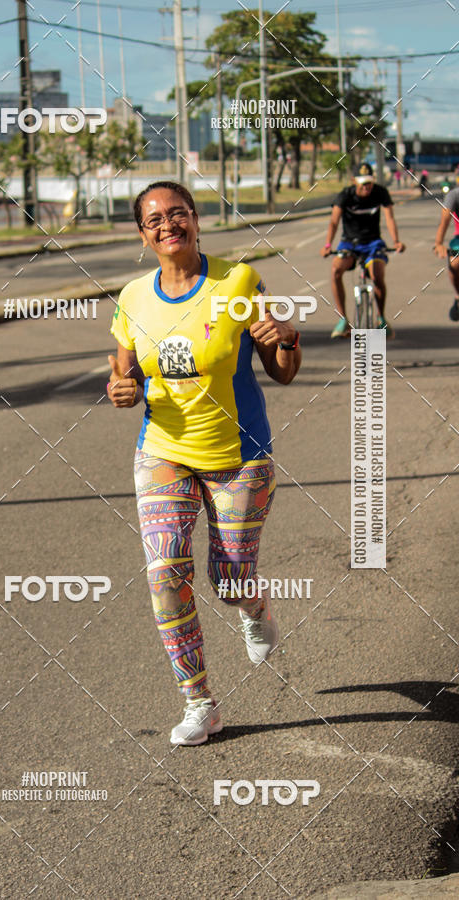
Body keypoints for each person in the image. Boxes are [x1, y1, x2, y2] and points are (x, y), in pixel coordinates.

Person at [107, 180, 301, 746]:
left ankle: (253, 607)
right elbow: (124, 374)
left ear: (196, 219)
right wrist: (120, 390)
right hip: (163, 451)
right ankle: (199, 703)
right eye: (154, 220)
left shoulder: (239, 281)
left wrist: (287, 339)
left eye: (178, 213)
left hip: (240, 456)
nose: (168, 225)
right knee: (165, 572)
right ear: (143, 235)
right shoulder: (132, 298)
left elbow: (282, 372)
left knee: (230, 579)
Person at [320, 162, 405, 338]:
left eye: (369, 182)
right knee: (336, 270)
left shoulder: (380, 192)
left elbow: (390, 218)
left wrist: (396, 241)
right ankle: (343, 319)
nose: (367, 187)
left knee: (377, 275)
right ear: (354, 181)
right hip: (349, 243)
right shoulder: (345, 195)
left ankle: (381, 318)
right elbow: (334, 221)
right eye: (363, 183)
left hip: (373, 243)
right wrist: (328, 245)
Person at [433, 184, 459, 321]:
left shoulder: (380, 193)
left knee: (377, 277)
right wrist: (438, 243)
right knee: (454, 262)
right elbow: (444, 221)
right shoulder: (454, 195)